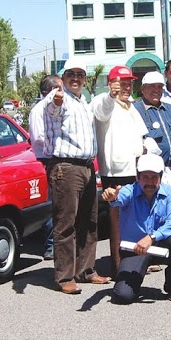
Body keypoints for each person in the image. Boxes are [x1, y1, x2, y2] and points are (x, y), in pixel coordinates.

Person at [45, 58, 110, 295]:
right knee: (66, 224)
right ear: (63, 78)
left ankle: (86, 270)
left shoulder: (83, 101)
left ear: (85, 79)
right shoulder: (59, 98)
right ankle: (65, 276)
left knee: (89, 222)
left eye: (80, 74)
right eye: (71, 74)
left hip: (86, 167)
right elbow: (52, 109)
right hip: (67, 167)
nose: (75, 78)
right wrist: (56, 100)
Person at [104, 154, 171, 303]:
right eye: (145, 177)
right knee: (123, 296)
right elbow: (118, 199)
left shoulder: (169, 193)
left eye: (154, 177)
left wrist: (151, 237)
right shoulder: (129, 190)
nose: (150, 182)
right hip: (135, 248)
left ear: (161, 177)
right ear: (137, 177)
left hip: (158, 245)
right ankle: (134, 278)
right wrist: (112, 197)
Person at [93, 65, 150, 270]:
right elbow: (102, 113)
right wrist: (111, 94)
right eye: (122, 84)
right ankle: (118, 267)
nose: (126, 88)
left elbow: (141, 135)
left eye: (129, 84)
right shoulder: (103, 100)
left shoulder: (130, 105)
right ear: (111, 84)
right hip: (115, 171)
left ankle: (135, 260)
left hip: (133, 169)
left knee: (133, 218)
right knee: (116, 221)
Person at [29, 74, 62, 260]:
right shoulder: (39, 111)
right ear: (51, 90)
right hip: (47, 160)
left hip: (57, 159)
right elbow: (39, 138)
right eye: (59, 88)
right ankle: (51, 246)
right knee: (52, 204)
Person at [135, 71, 171, 174]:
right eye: (152, 86)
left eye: (159, 87)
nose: (156, 90)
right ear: (143, 88)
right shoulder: (135, 110)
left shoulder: (170, 108)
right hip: (150, 173)